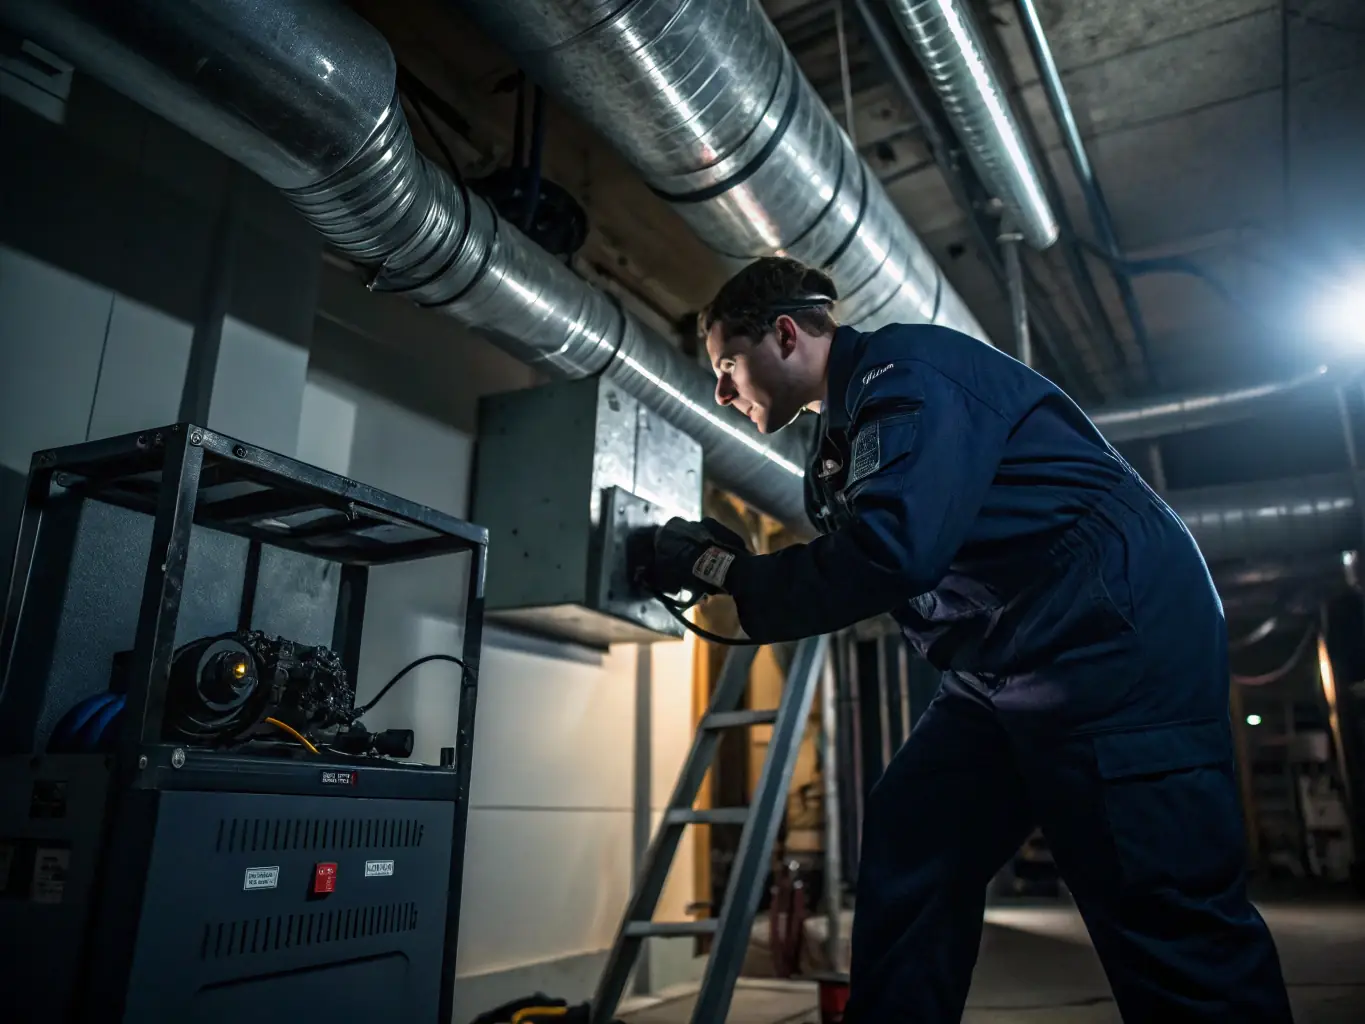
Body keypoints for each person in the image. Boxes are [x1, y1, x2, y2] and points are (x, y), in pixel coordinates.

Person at [635, 257, 1293, 1022]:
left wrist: (727, 573)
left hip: (1112, 644)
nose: (720, 391)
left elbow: (891, 551)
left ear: (784, 334)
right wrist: (735, 573)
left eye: (726, 365)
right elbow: (873, 556)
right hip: (1003, 664)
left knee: (1157, 900)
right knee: (914, 838)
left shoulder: (908, 373)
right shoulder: (839, 440)